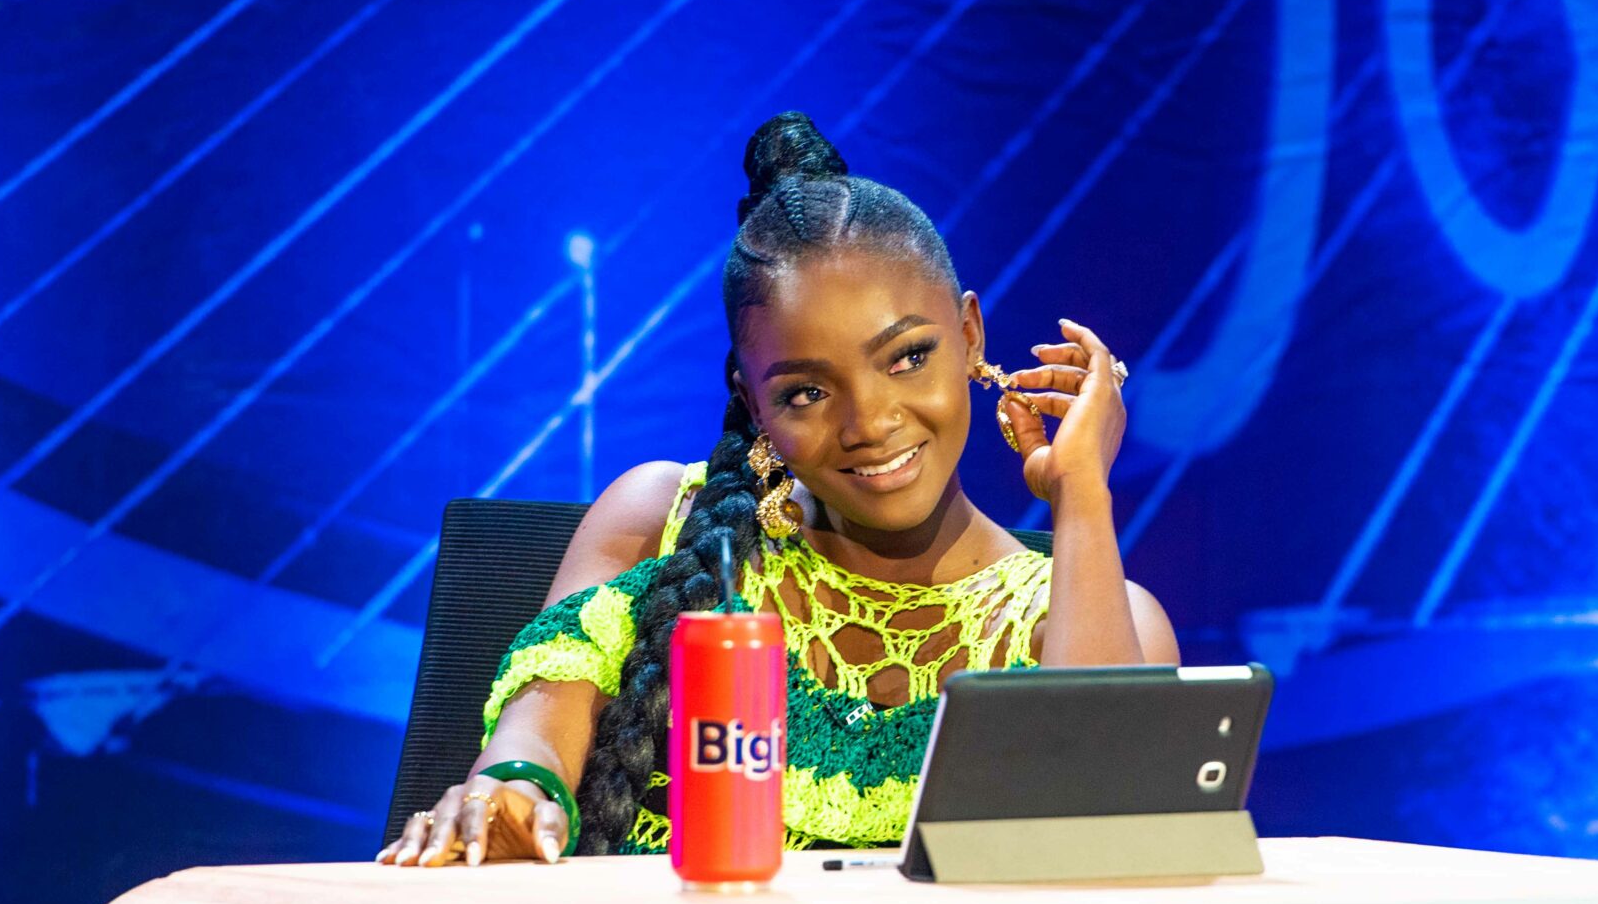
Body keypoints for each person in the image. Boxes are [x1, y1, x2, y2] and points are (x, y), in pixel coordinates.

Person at [381, 111, 1177, 865]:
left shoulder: (1094, 616)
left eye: (907, 358)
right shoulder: (664, 522)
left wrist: (1082, 497)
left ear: (970, 335)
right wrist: (512, 791)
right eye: (807, 392)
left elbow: (1110, 854)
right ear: (753, 399)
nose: (870, 422)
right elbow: (535, 737)